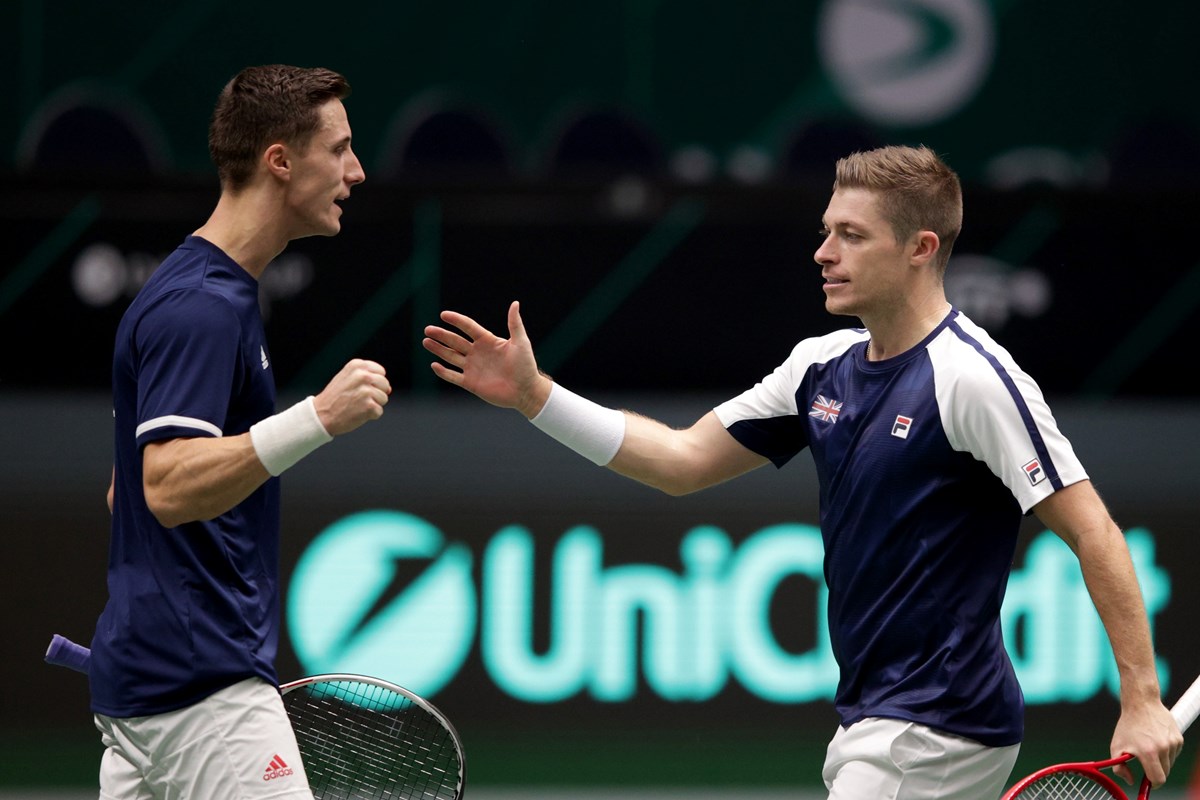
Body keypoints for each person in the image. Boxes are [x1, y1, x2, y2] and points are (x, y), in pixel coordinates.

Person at [422, 145, 1183, 799]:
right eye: (826, 232)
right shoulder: (819, 366)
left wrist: (1141, 698)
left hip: (934, 726)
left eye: (851, 236)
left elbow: (1094, 533)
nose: (823, 252)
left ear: (920, 248)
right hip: (878, 718)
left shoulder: (974, 379)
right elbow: (681, 463)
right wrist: (536, 397)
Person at [90, 64, 391, 800]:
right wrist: (317, 418)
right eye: (340, 149)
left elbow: (119, 493)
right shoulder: (201, 308)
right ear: (280, 161)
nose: (356, 171)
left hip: (156, 676)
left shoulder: (206, 294)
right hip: (199, 687)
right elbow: (162, 487)